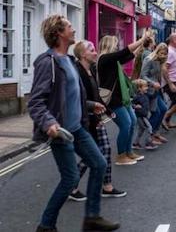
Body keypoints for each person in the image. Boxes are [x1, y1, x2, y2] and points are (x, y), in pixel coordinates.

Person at [28, 15, 119, 232]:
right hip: (61, 132)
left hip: (78, 128)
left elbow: (70, 95)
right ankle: (46, 226)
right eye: (69, 26)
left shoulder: (69, 61)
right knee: (70, 179)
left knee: (98, 163)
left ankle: (92, 217)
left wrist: (89, 105)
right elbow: (36, 102)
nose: (73, 29)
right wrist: (49, 124)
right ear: (59, 33)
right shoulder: (47, 62)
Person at [69, 40, 127, 202]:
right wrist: (93, 111)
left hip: (94, 118)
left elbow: (96, 95)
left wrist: (106, 112)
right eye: (91, 50)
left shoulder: (90, 70)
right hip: (84, 120)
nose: (95, 52)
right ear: (82, 55)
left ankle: (106, 186)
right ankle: (71, 186)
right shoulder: (78, 73)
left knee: (105, 149)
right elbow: (79, 99)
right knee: (92, 155)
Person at [97, 32, 149, 165]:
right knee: (125, 125)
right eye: (115, 45)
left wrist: (142, 43)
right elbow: (125, 51)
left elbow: (130, 55)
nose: (117, 47)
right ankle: (121, 156)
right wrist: (141, 39)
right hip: (112, 100)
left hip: (122, 98)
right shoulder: (104, 59)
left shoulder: (113, 60)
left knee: (131, 123)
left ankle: (128, 151)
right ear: (109, 45)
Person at [140, 43, 169, 143]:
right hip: (148, 90)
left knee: (164, 109)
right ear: (157, 51)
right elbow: (143, 75)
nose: (163, 56)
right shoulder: (149, 59)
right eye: (162, 53)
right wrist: (152, 83)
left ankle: (155, 133)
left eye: (165, 54)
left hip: (157, 91)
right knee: (156, 113)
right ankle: (149, 136)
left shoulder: (160, 61)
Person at [132, 79, 159, 150]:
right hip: (140, 116)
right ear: (139, 88)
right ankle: (148, 143)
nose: (147, 88)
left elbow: (153, 96)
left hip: (144, 115)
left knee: (142, 129)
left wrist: (156, 90)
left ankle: (135, 143)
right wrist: (135, 106)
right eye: (145, 86)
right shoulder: (137, 97)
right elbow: (131, 103)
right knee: (149, 128)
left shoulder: (146, 94)